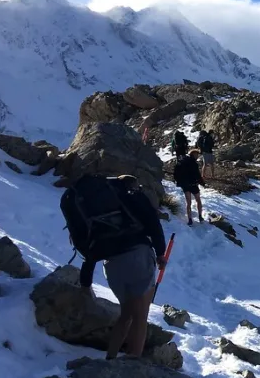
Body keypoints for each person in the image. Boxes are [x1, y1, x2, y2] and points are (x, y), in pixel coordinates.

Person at [75, 175, 167, 360]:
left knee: (126, 314)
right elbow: (153, 223)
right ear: (131, 184)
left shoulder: (98, 206)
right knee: (141, 316)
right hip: (138, 257)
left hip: (111, 265)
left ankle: (111, 358)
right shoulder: (132, 196)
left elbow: (91, 245)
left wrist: (86, 281)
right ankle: (134, 363)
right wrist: (160, 253)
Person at [173, 149, 206, 225]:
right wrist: (203, 183)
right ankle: (200, 216)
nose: (197, 156)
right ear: (193, 154)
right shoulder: (194, 163)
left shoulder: (182, 161)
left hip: (185, 185)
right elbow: (197, 175)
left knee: (188, 202)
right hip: (193, 184)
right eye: (197, 154)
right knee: (198, 200)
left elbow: (176, 172)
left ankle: (190, 219)